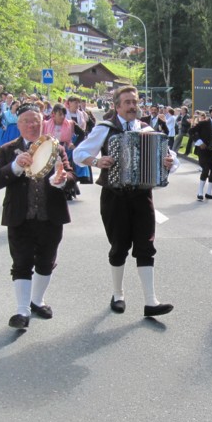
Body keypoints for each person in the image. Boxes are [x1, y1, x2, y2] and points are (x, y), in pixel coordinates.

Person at [73, 85, 178, 318]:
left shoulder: (148, 129)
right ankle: (118, 294)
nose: (133, 106)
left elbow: (170, 156)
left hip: (142, 195)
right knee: (119, 246)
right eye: (128, 102)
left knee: (146, 245)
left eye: (135, 102)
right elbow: (78, 154)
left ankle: (151, 301)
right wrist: (96, 161)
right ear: (117, 106)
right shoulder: (105, 129)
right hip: (114, 196)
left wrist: (169, 162)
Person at [0, 104, 76, 329]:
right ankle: (22, 311)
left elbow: (71, 175)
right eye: (27, 121)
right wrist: (15, 166)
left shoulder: (55, 147)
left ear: (43, 122)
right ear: (18, 125)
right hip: (19, 216)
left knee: (47, 262)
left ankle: (37, 301)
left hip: (51, 215)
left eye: (36, 120)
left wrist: (62, 179)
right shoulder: (9, 149)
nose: (32, 125)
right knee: (21, 262)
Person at [191, 104, 212, 201]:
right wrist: (199, 142)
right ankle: (200, 192)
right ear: (210, 114)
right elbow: (192, 131)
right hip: (203, 150)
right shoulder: (203, 123)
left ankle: (209, 192)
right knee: (205, 170)